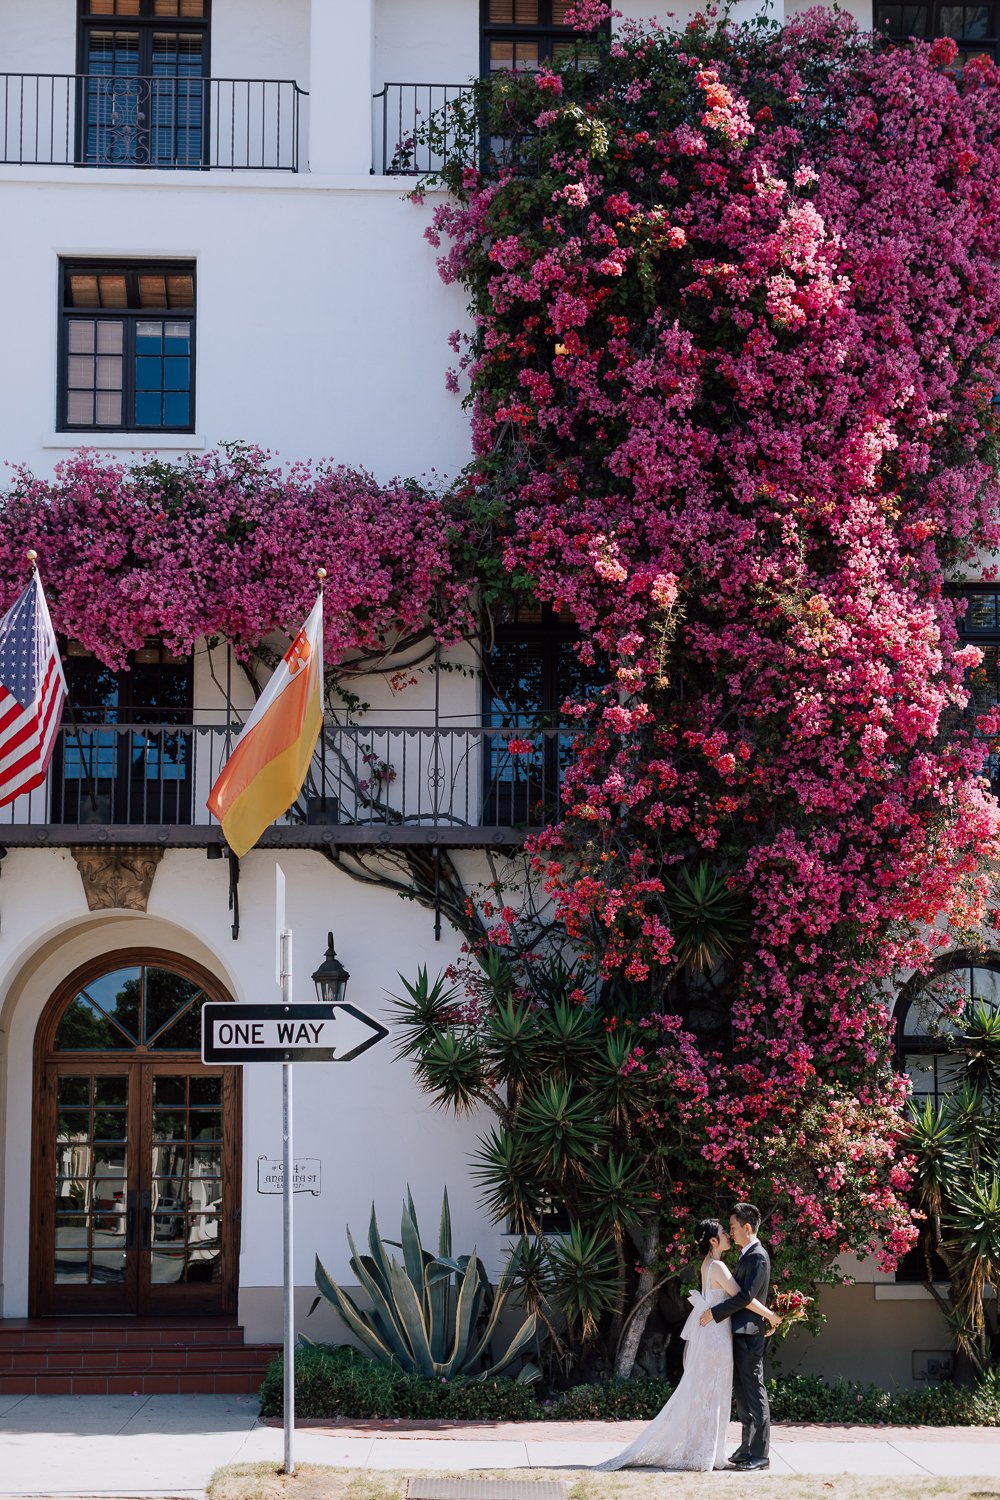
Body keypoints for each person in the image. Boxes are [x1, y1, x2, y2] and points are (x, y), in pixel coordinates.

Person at [594, 1216, 780, 1473]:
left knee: (708, 1392)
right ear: (714, 1241)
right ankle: (708, 1451)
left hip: (713, 1333)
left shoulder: (709, 1264)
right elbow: (744, 1298)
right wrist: (770, 1315)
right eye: (724, 1232)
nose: (729, 1235)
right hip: (718, 1336)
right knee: (714, 1393)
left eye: (730, 1229)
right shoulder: (719, 1267)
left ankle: (707, 1449)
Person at [699, 1201, 772, 1471]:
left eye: (732, 1227)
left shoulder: (758, 1256)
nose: (730, 1231)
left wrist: (714, 1313)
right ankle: (746, 1448)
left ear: (747, 1227)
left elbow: (744, 1297)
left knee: (754, 1392)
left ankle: (760, 1454)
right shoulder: (746, 1255)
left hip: (749, 1333)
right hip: (739, 1333)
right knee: (743, 1395)